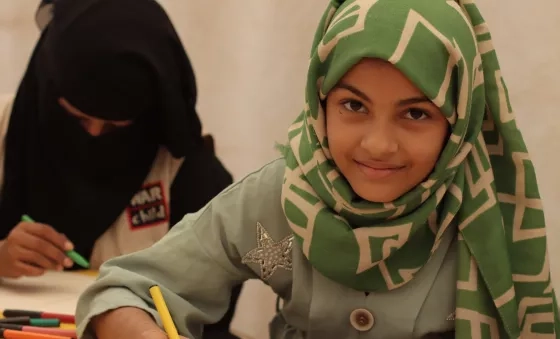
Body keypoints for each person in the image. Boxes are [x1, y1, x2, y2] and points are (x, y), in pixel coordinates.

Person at [75, 0, 559, 338]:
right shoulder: (283, 193)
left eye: (416, 113)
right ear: (319, 101)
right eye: (353, 105)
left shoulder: (485, 219)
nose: (377, 144)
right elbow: (125, 289)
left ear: (458, 119)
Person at [0, 0, 240, 337]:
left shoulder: (189, 173)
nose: (94, 135)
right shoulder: (6, 128)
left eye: (116, 127)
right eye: (76, 118)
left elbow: (210, 309)